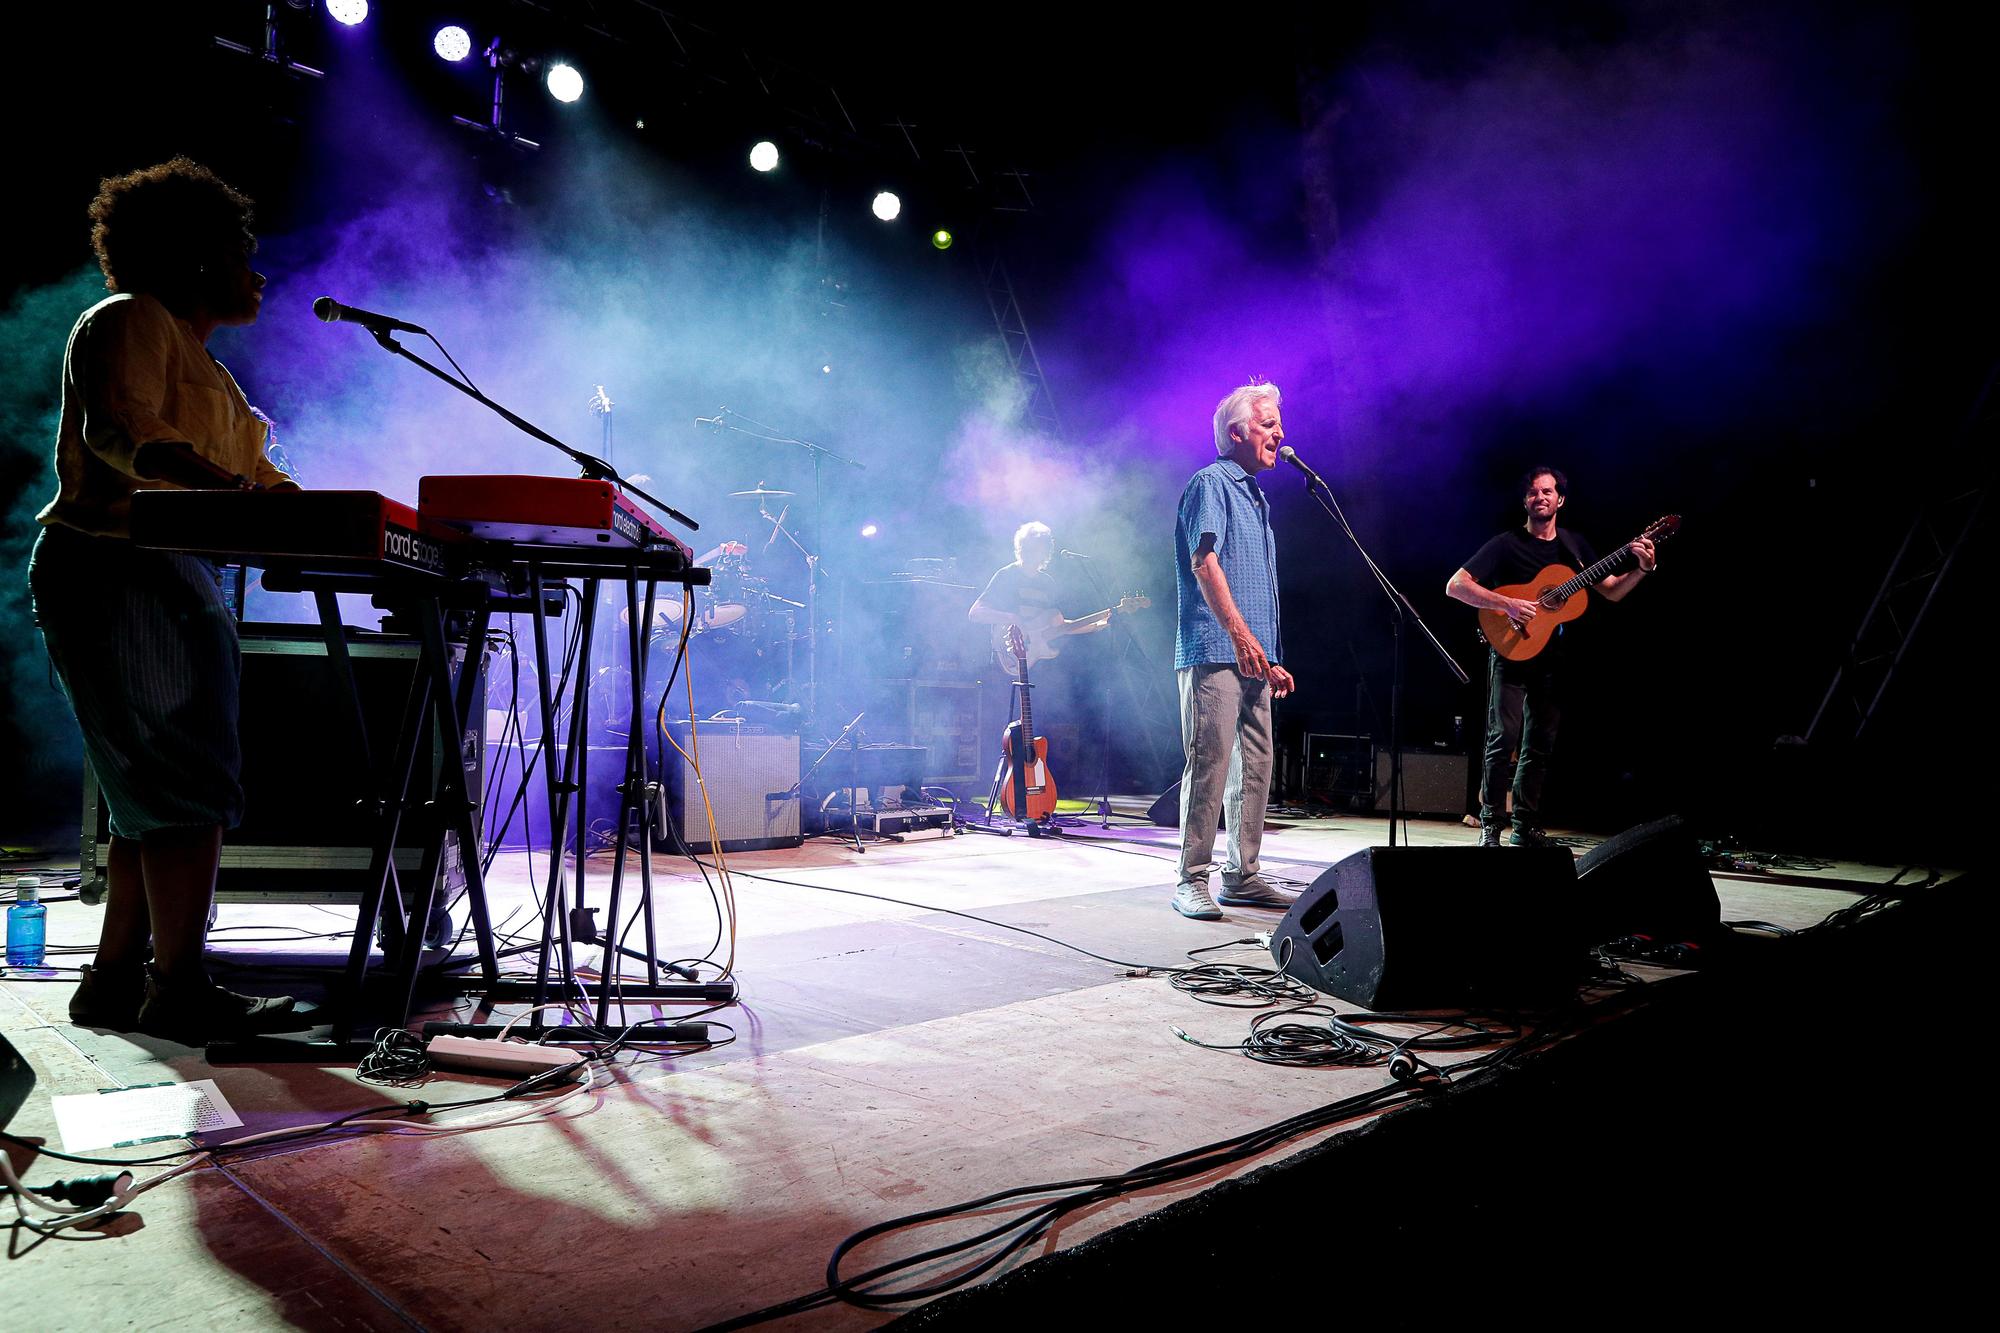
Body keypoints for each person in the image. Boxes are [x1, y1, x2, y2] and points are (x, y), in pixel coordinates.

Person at [29, 157, 301, 1044]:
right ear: (193, 256)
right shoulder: (128, 319)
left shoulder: (216, 380)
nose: (258, 269)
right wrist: (226, 490)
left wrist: (357, 526)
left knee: (156, 786)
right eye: (241, 248)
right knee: (182, 781)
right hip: (116, 563)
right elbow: (126, 433)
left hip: (165, 568)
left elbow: (265, 482)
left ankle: (114, 981)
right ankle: (181, 987)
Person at [1445, 466, 1657, 847]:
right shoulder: (1506, 544)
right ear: (1525, 501)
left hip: (1552, 659)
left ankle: (1525, 827)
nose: (1539, 497)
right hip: (1510, 653)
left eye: (1547, 492)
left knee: (1539, 744)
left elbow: (1611, 591)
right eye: (1532, 493)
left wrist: (1642, 568)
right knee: (1502, 739)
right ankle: (1491, 825)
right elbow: (1456, 586)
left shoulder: (1575, 548)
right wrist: (1508, 603)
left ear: (1560, 499)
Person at [1170, 383, 1297, 919]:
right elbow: (1206, 563)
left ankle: (1242, 875)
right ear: (1236, 432)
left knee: (1256, 768)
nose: (1280, 434)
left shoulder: (1256, 497)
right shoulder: (1211, 482)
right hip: (1215, 650)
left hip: (1253, 658)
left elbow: (1254, 584)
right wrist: (1243, 639)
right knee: (1210, 762)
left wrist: (1268, 656)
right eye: (1269, 425)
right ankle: (1190, 879)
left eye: (1278, 425)